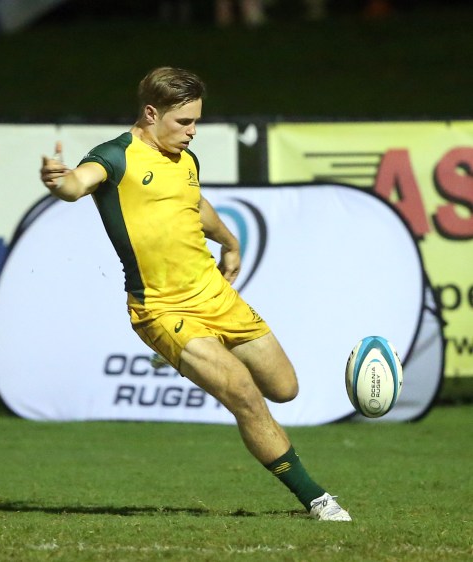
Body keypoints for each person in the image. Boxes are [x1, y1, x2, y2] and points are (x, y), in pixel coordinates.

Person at [39, 67, 351, 522]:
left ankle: (183, 353)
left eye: (196, 121)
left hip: (214, 295)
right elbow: (77, 184)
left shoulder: (187, 161)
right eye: (183, 122)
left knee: (285, 388)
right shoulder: (114, 157)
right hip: (162, 307)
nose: (192, 132)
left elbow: (196, 205)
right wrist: (59, 181)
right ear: (151, 113)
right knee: (243, 392)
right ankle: (318, 500)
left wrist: (230, 241)